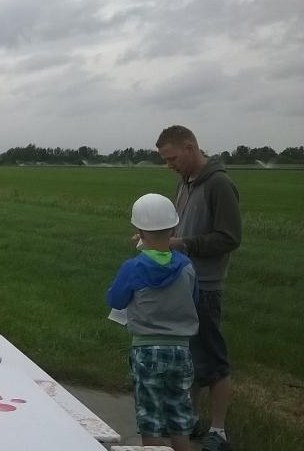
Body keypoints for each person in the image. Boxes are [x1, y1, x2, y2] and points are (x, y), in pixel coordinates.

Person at [156, 125, 241, 451]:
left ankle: (218, 431)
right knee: (188, 356)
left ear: (190, 148)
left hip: (205, 285)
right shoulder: (185, 183)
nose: (169, 165)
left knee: (213, 359)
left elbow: (229, 238)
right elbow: (178, 229)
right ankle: (189, 419)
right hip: (182, 280)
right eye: (166, 160)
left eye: (172, 158)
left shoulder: (219, 184)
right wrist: (156, 239)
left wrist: (183, 244)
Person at [107, 193, 199, 451]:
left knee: (151, 420)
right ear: (173, 229)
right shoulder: (187, 266)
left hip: (146, 349)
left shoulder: (133, 267)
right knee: (179, 417)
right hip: (181, 350)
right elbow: (194, 299)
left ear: (139, 231)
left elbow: (115, 299)